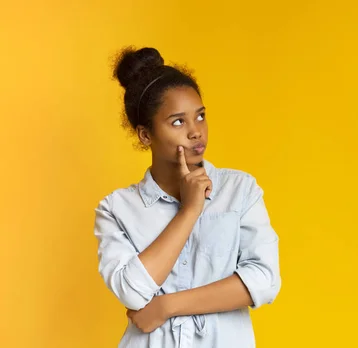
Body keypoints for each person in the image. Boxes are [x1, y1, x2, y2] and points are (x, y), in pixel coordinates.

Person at [93, 47, 282, 348]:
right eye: (178, 122)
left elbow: (264, 280)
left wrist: (166, 307)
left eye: (201, 116)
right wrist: (190, 210)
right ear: (145, 135)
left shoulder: (239, 190)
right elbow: (131, 292)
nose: (196, 132)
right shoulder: (117, 209)